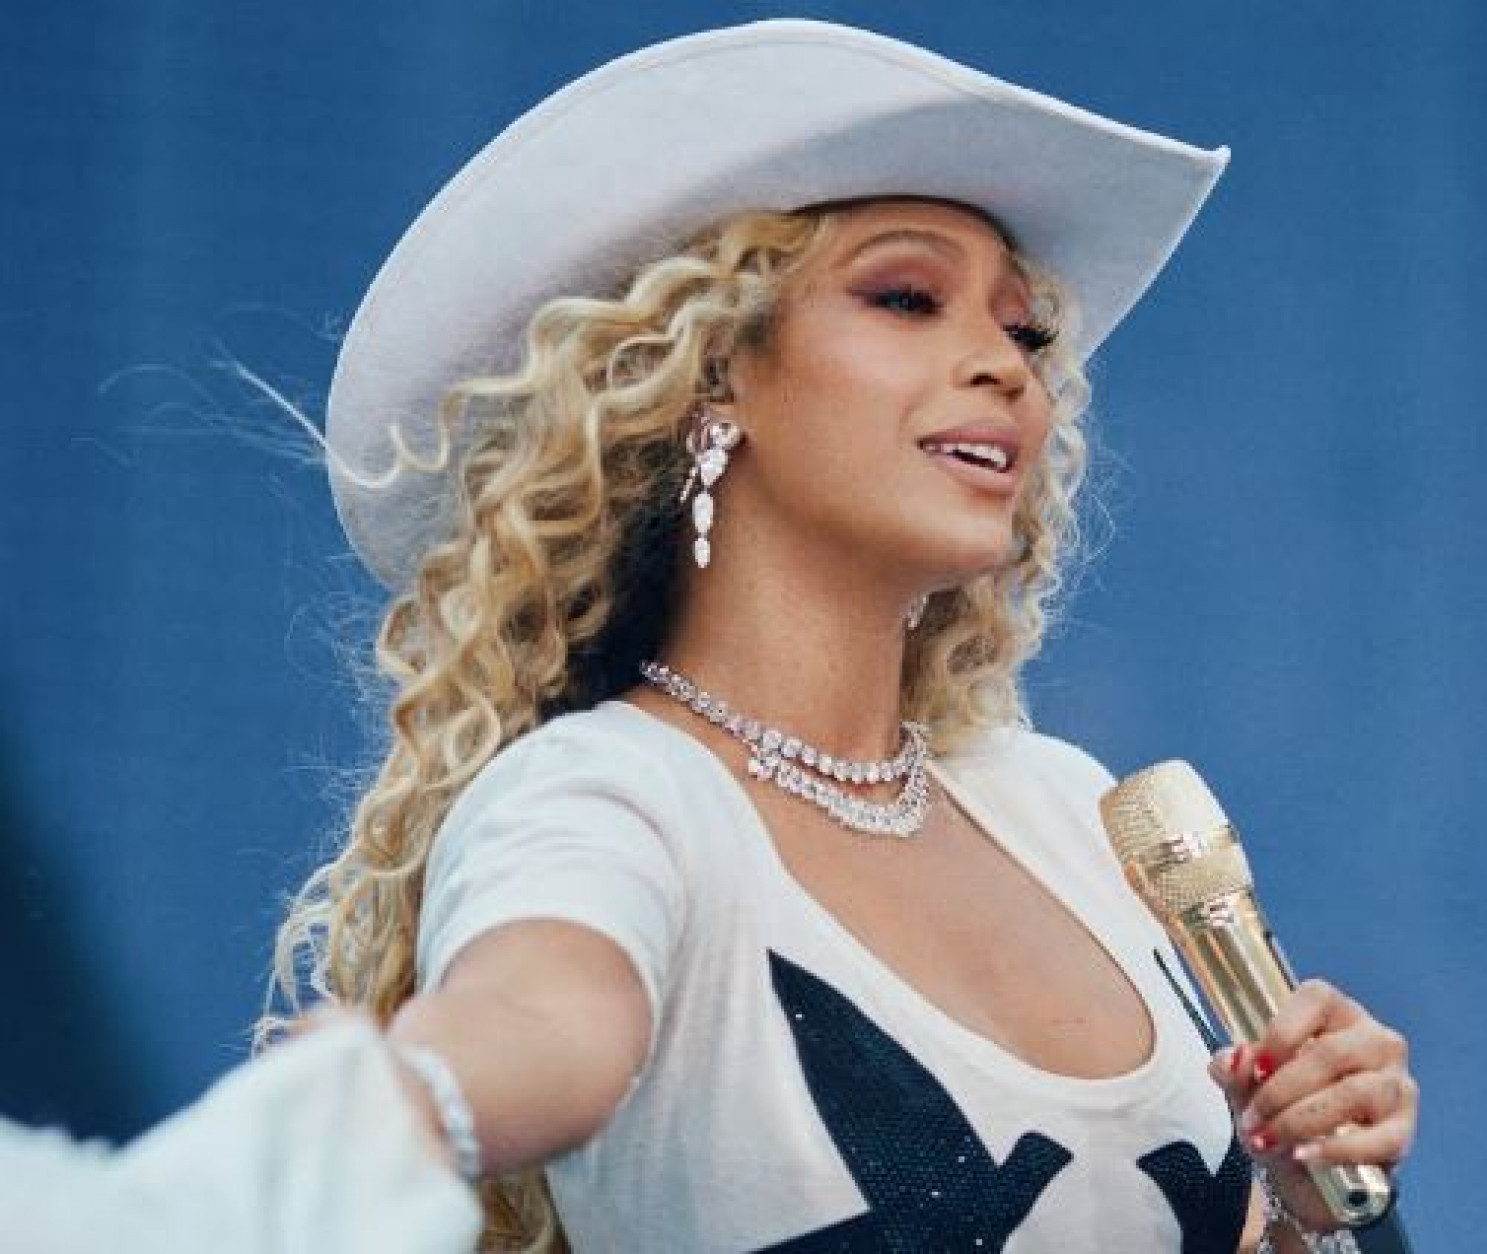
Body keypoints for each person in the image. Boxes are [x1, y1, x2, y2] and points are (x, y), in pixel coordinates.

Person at [262, 19, 1420, 1254]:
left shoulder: (1066, 814)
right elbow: (547, 1020)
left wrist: (1308, 1202)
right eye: (908, 298)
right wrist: (409, 1095)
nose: (1006, 368)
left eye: (1023, 331)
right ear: (708, 377)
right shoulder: (615, 795)